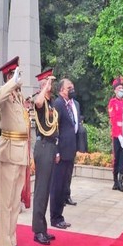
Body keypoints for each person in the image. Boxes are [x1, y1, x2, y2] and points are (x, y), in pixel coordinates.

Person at [0, 56, 29, 246]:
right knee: (5, 203)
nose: (20, 78)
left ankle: (12, 242)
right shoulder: (6, 94)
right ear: (9, 75)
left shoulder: (18, 96)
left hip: (20, 152)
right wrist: (11, 82)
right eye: (16, 73)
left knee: (15, 203)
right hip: (8, 152)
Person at [31, 69, 59, 245]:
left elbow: (56, 126)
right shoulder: (39, 100)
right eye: (48, 83)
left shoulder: (53, 102)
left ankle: (43, 227)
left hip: (51, 145)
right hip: (42, 146)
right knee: (41, 190)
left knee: (46, 189)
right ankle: (38, 230)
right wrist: (43, 88)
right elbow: (38, 101)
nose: (51, 85)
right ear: (42, 85)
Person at [49, 79, 77, 229]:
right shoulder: (58, 104)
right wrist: (57, 151)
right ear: (61, 90)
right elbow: (55, 129)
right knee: (57, 187)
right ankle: (55, 217)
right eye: (68, 88)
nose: (71, 90)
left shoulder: (69, 105)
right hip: (61, 153)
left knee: (64, 187)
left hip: (69, 151)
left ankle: (60, 216)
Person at [108, 76, 123, 192]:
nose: (121, 90)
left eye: (122, 88)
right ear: (115, 90)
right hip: (116, 134)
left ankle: (121, 181)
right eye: (118, 88)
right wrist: (119, 121)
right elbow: (112, 117)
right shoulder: (112, 102)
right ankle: (115, 181)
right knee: (116, 158)